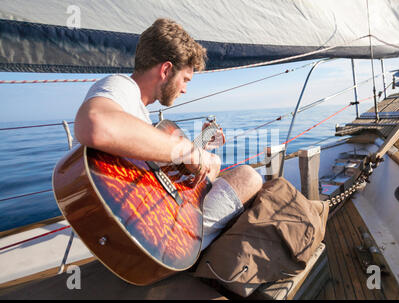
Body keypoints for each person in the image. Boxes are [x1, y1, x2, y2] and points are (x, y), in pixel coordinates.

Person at [74, 18, 262, 250]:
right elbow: (94, 123)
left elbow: (154, 174)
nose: (184, 89)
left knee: (214, 167)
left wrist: (200, 150)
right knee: (249, 177)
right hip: (152, 234)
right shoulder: (120, 86)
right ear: (166, 70)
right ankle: (194, 247)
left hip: (145, 223)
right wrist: (187, 151)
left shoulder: (137, 111)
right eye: (185, 79)